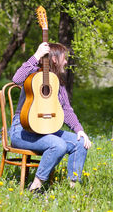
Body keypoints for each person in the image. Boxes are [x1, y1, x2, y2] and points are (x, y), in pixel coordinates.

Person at [10, 42, 91, 192]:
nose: (66, 62)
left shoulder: (57, 83)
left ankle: (74, 187)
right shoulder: (33, 74)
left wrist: (79, 130)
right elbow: (16, 79)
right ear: (54, 59)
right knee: (58, 144)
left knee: (80, 142)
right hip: (22, 130)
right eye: (64, 58)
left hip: (47, 130)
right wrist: (36, 55)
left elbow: (66, 109)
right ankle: (36, 186)